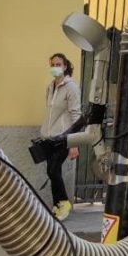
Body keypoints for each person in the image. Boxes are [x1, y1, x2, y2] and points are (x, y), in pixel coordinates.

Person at [39, 53, 82, 220]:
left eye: (58, 64)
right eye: (53, 65)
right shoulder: (50, 87)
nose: (55, 67)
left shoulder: (71, 87)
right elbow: (51, 113)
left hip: (64, 137)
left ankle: (64, 203)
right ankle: (57, 205)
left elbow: (76, 115)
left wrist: (74, 143)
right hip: (50, 138)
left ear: (65, 66)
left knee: (53, 170)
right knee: (52, 172)